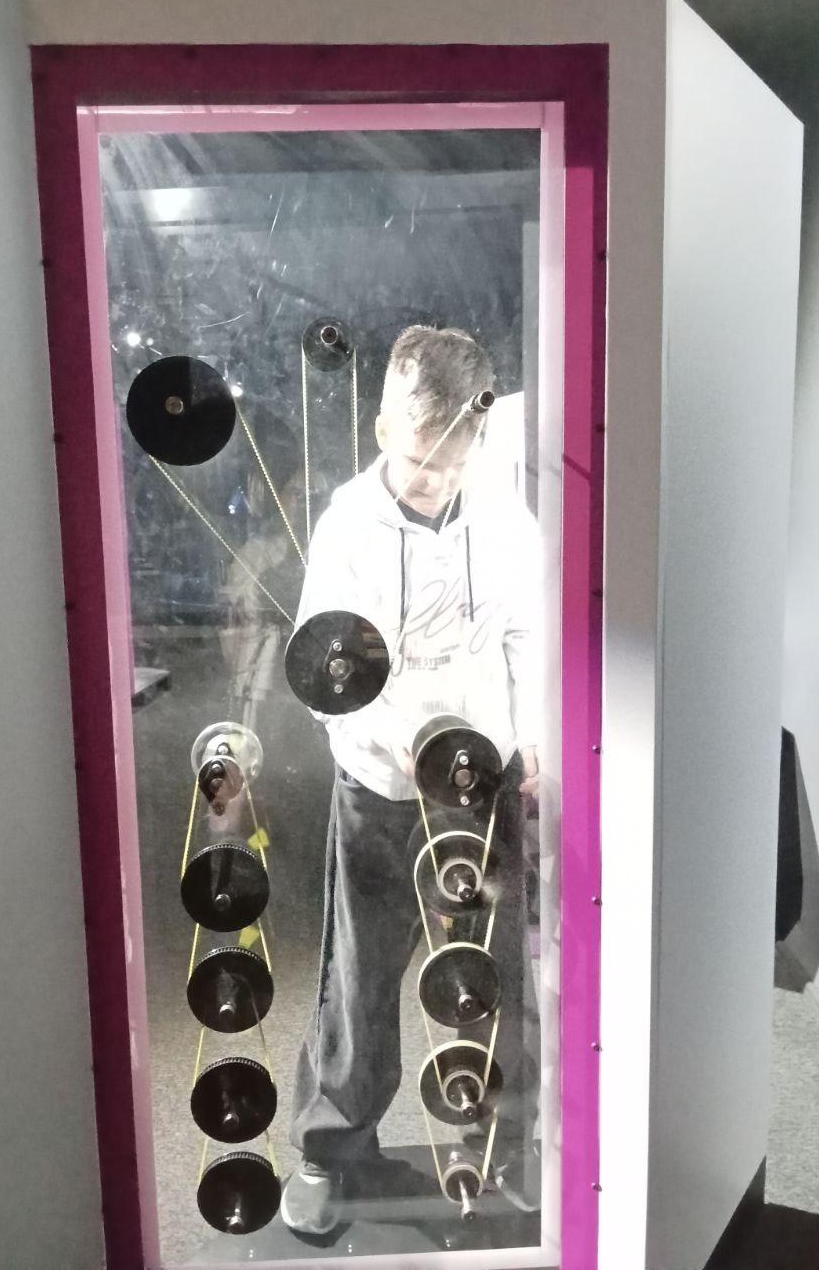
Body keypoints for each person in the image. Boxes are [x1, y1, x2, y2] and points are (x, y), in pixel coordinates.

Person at [280, 325, 542, 1236]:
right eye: (418, 458)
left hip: (482, 779)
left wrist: (531, 736)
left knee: (497, 963)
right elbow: (326, 673)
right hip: (381, 781)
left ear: (476, 441)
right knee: (363, 968)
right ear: (385, 424)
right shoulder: (347, 526)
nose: (432, 478)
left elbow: (527, 635)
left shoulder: (506, 517)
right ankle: (331, 1148)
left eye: (451, 463)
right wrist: (393, 743)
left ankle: (506, 1141)